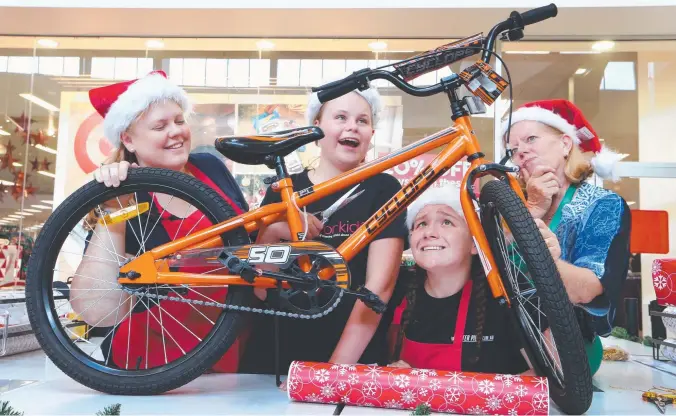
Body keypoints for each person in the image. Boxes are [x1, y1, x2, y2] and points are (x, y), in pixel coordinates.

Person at [71, 70, 249, 372]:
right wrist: (113, 209)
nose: (176, 131)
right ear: (128, 138)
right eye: (160, 126)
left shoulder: (211, 168)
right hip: (155, 363)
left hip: (233, 346)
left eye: (179, 121)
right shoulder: (126, 194)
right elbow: (98, 310)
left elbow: (249, 242)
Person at [240, 85, 407, 374]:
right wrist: (275, 232)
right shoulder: (284, 191)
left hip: (350, 361)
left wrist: (332, 374)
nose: (352, 127)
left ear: (371, 134)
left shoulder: (384, 189)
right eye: (340, 117)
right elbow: (261, 290)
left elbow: (379, 288)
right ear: (316, 127)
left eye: (362, 120)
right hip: (276, 356)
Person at [502, 99, 632, 376]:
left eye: (530, 139)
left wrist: (542, 255)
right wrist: (533, 209)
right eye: (513, 149)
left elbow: (587, 290)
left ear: (564, 144)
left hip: (564, 347)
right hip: (498, 338)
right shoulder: (506, 204)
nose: (521, 151)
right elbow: (484, 266)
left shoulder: (602, 205)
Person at [388, 186, 539, 374]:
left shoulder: (506, 289)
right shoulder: (397, 286)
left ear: (475, 244)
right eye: (421, 224)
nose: (429, 233)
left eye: (446, 222)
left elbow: (551, 378)